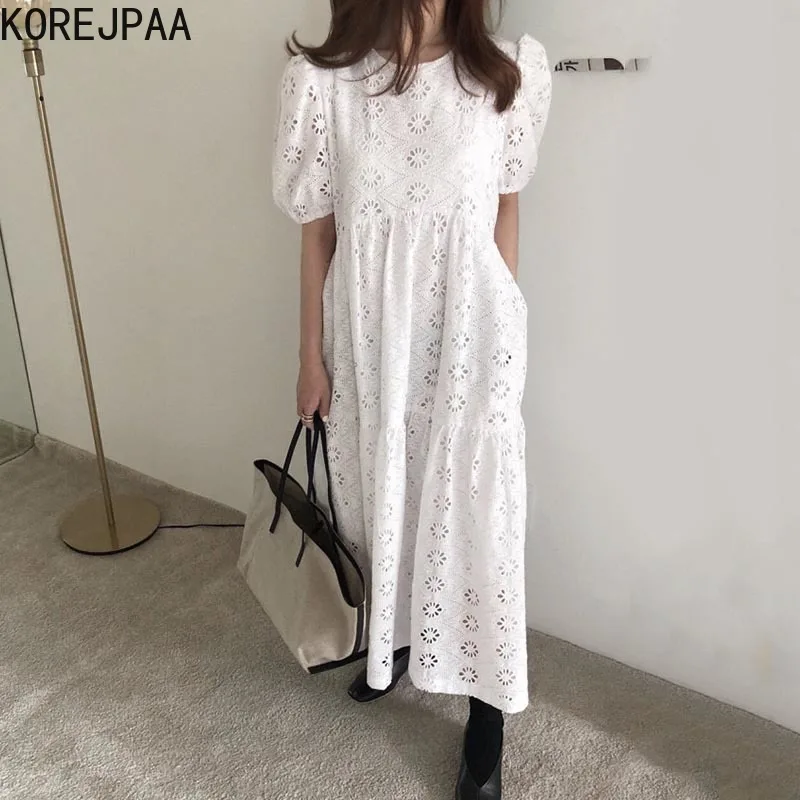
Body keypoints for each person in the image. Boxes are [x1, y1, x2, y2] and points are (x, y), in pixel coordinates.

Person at [271, 1, 552, 796]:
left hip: (473, 336)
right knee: (378, 498)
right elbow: (317, 232)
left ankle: (487, 717)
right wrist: (310, 357)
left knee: (477, 519)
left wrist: (500, 324)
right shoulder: (324, 83)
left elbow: (506, 203)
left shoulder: (505, 71)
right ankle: (392, 641)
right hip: (369, 339)